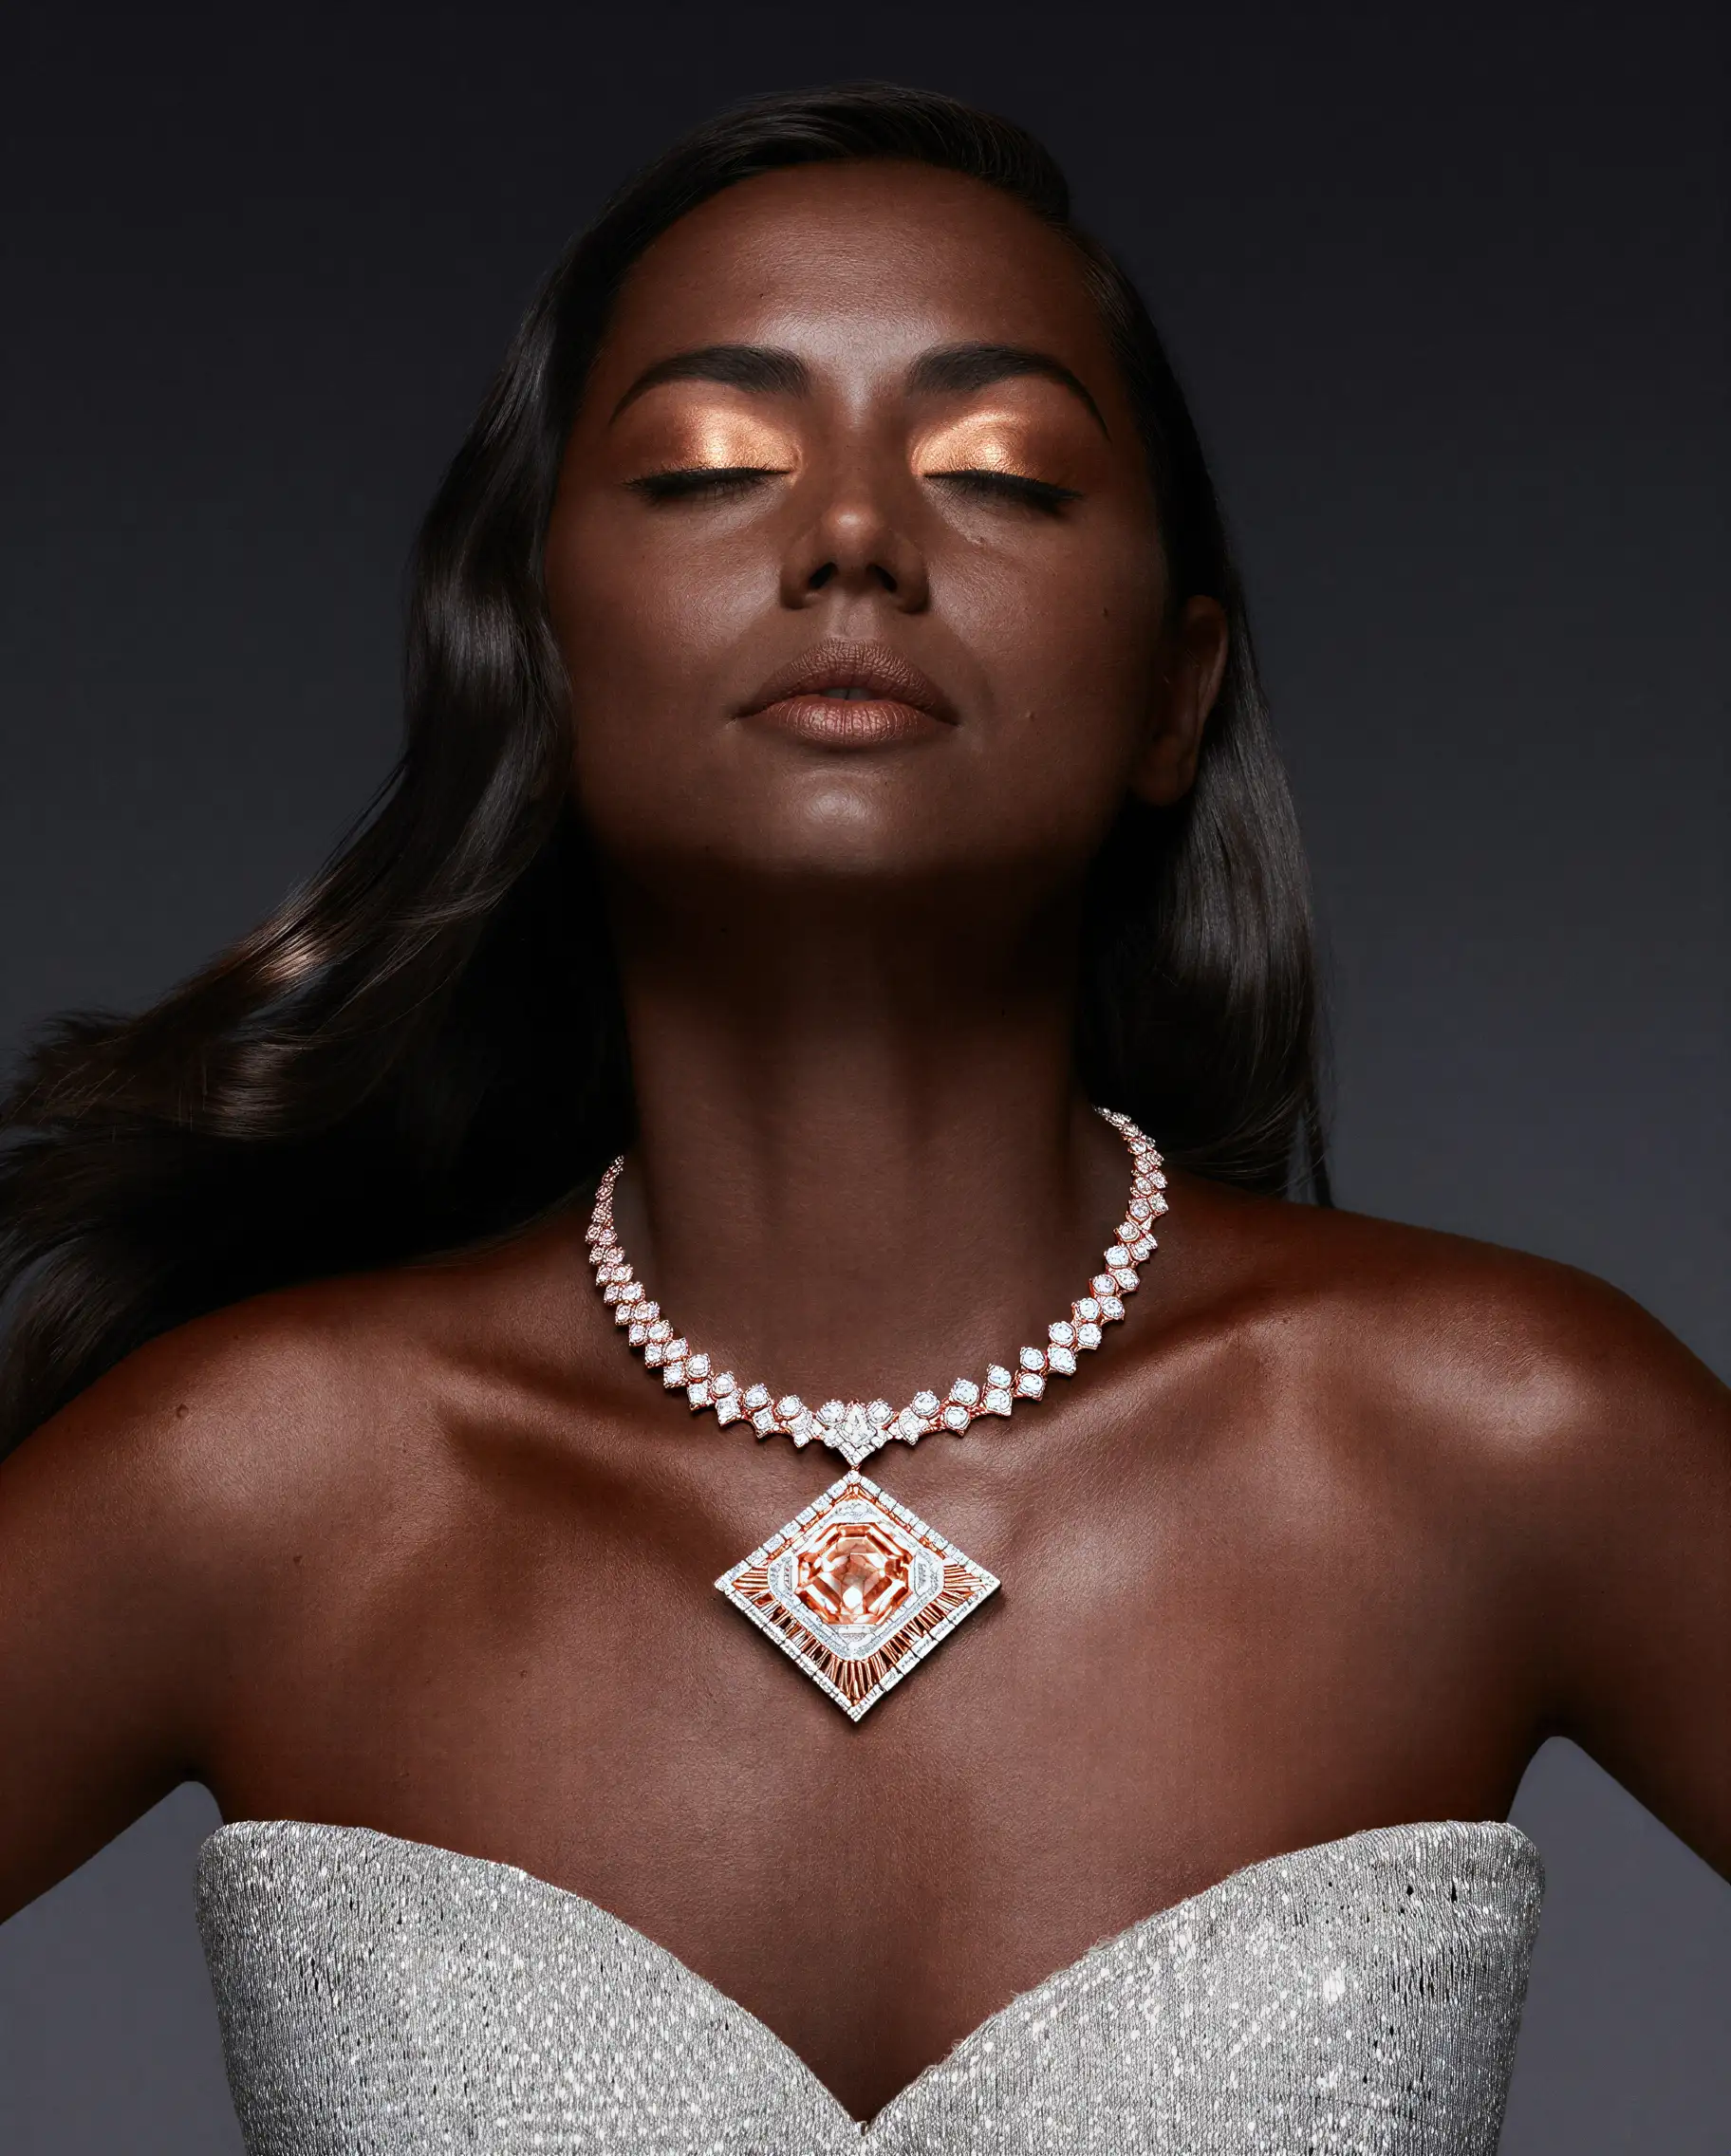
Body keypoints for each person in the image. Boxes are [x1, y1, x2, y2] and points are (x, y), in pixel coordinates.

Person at [0, 84, 1723, 2154]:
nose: (849, 539)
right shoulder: (258, 1480)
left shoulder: (1510, 1434)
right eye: (710, 464)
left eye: (1000, 470)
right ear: (538, 668)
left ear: (1177, 691)